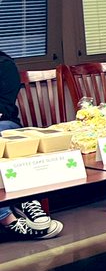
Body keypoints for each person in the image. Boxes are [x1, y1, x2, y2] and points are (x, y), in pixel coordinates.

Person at [0, 51, 63, 240]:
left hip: (5, 125)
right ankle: (8, 220)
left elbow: (3, 108)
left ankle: (25, 199)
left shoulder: (4, 65)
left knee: (6, 138)